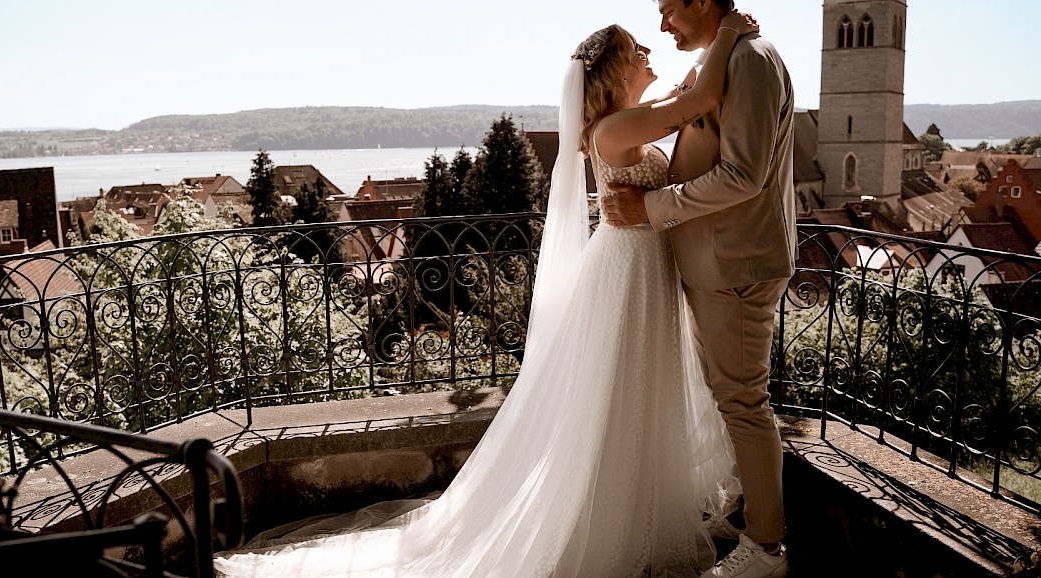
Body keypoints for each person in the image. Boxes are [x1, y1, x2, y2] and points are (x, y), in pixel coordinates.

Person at [215, 14, 756, 578]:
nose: (648, 48)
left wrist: (699, 66)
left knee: (642, 386)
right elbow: (701, 98)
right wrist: (728, 35)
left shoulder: (627, 123)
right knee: (623, 392)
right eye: (634, 48)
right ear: (614, 71)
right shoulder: (614, 132)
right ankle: (610, 520)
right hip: (628, 275)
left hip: (641, 268)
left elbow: (684, 96)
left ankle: (640, 507)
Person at [600, 1, 796, 577]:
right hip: (715, 261)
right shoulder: (724, 57)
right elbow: (690, 104)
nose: (662, 26)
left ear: (703, 3)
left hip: (736, 262)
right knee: (728, 397)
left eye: (668, 10)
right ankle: (748, 512)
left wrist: (652, 207)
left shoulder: (752, 61)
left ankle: (766, 549)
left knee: (743, 402)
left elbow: (743, 174)